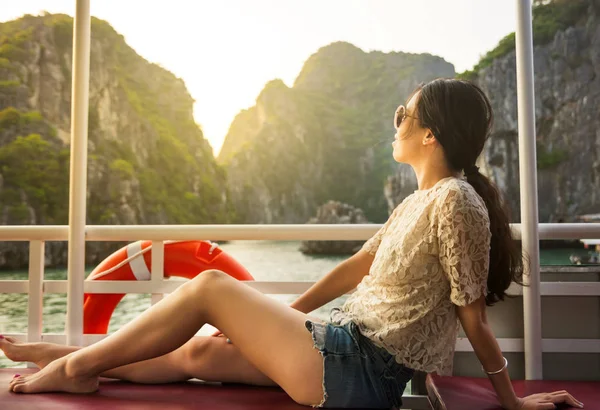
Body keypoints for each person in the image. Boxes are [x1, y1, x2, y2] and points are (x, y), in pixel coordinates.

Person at [0, 79, 584, 409]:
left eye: (402, 113)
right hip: (339, 348)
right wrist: (283, 313)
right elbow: (357, 265)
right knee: (200, 355)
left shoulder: (457, 202)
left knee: (207, 285)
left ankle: (74, 366)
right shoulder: (420, 202)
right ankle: (64, 356)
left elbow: (472, 316)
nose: (396, 121)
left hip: (360, 370)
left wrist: (510, 404)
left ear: (429, 134)